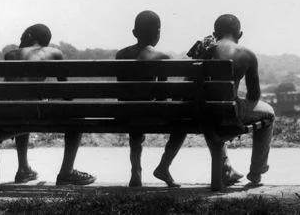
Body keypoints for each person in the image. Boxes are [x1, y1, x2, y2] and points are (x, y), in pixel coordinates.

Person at [4, 24, 95, 186]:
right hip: (34, 111)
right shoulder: (54, 52)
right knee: (77, 114)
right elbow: (66, 92)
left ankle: (23, 169)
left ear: (30, 35)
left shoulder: (10, 55)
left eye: (22, 36)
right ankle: (66, 172)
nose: (20, 40)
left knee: (23, 107)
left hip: (11, 113)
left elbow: (7, 91)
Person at [192, 14, 274, 189]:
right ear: (240, 34)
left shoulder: (204, 49)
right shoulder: (247, 54)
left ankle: (226, 168)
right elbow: (254, 95)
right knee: (270, 113)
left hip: (201, 110)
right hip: (230, 110)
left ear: (214, 33)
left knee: (212, 111)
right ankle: (256, 171)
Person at [115, 10, 186, 188]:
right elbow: (162, 96)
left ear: (134, 33)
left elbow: (121, 90)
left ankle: (136, 171)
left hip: (125, 113)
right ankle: (164, 166)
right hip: (150, 112)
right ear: (158, 33)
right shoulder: (162, 57)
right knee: (183, 124)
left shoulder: (121, 55)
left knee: (135, 118)